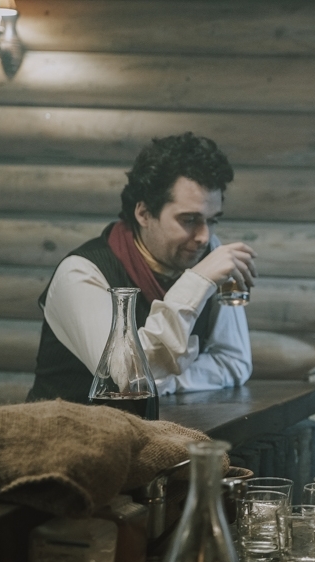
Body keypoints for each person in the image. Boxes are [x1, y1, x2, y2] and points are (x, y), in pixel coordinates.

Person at [28, 132, 256, 403]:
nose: (204, 237)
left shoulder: (206, 254)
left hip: (158, 427)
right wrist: (197, 281)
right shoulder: (80, 273)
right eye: (189, 220)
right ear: (144, 213)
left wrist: (166, 381)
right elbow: (127, 380)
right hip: (65, 428)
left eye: (212, 220)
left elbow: (233, 361)